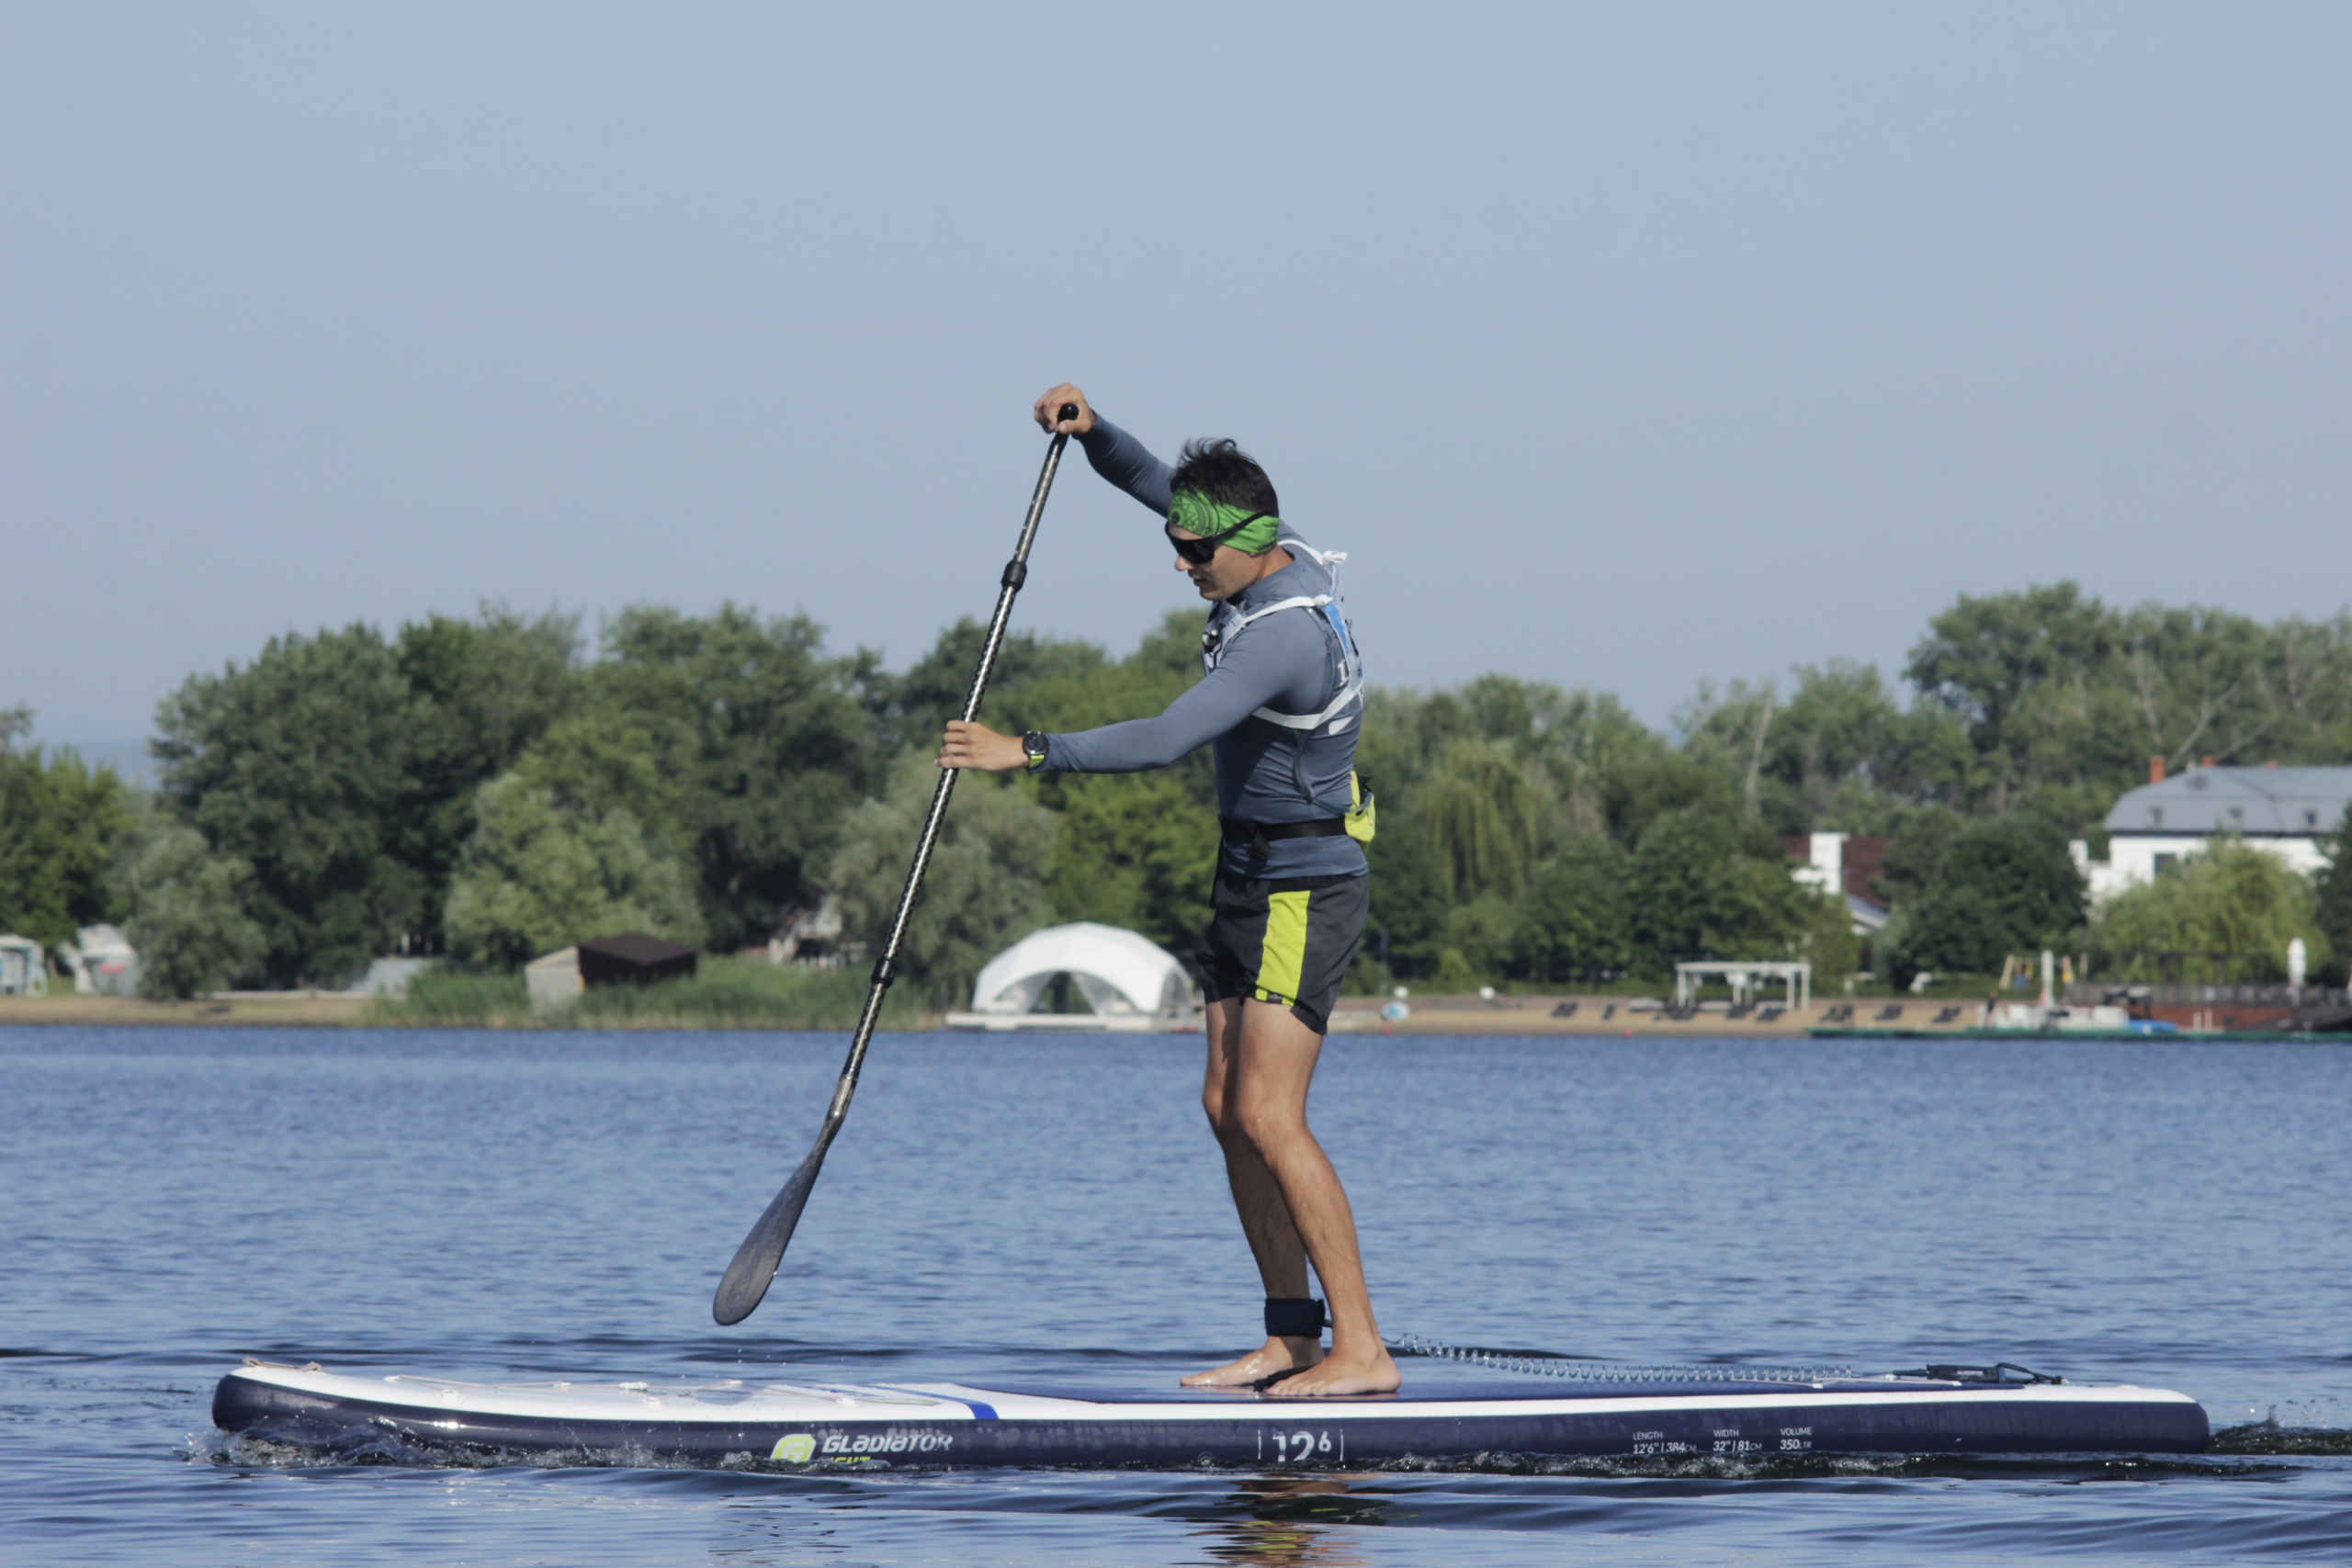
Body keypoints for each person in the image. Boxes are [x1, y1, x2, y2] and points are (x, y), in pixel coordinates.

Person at [936, 384, 1400, 1398]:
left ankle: (1363, 1350)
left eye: (1194, 552)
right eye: (1174, 545)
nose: (1181, 564)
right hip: (1245, 874)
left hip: (1305, 885)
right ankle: (1292, 1338)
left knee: (1271, 1113)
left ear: (1247, 542)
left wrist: (1027, 750)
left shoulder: (1283, 635)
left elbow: (1167, 737)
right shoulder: (1266, 542)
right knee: (1226, 1108)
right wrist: (1094, 431)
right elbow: (1153, 480)